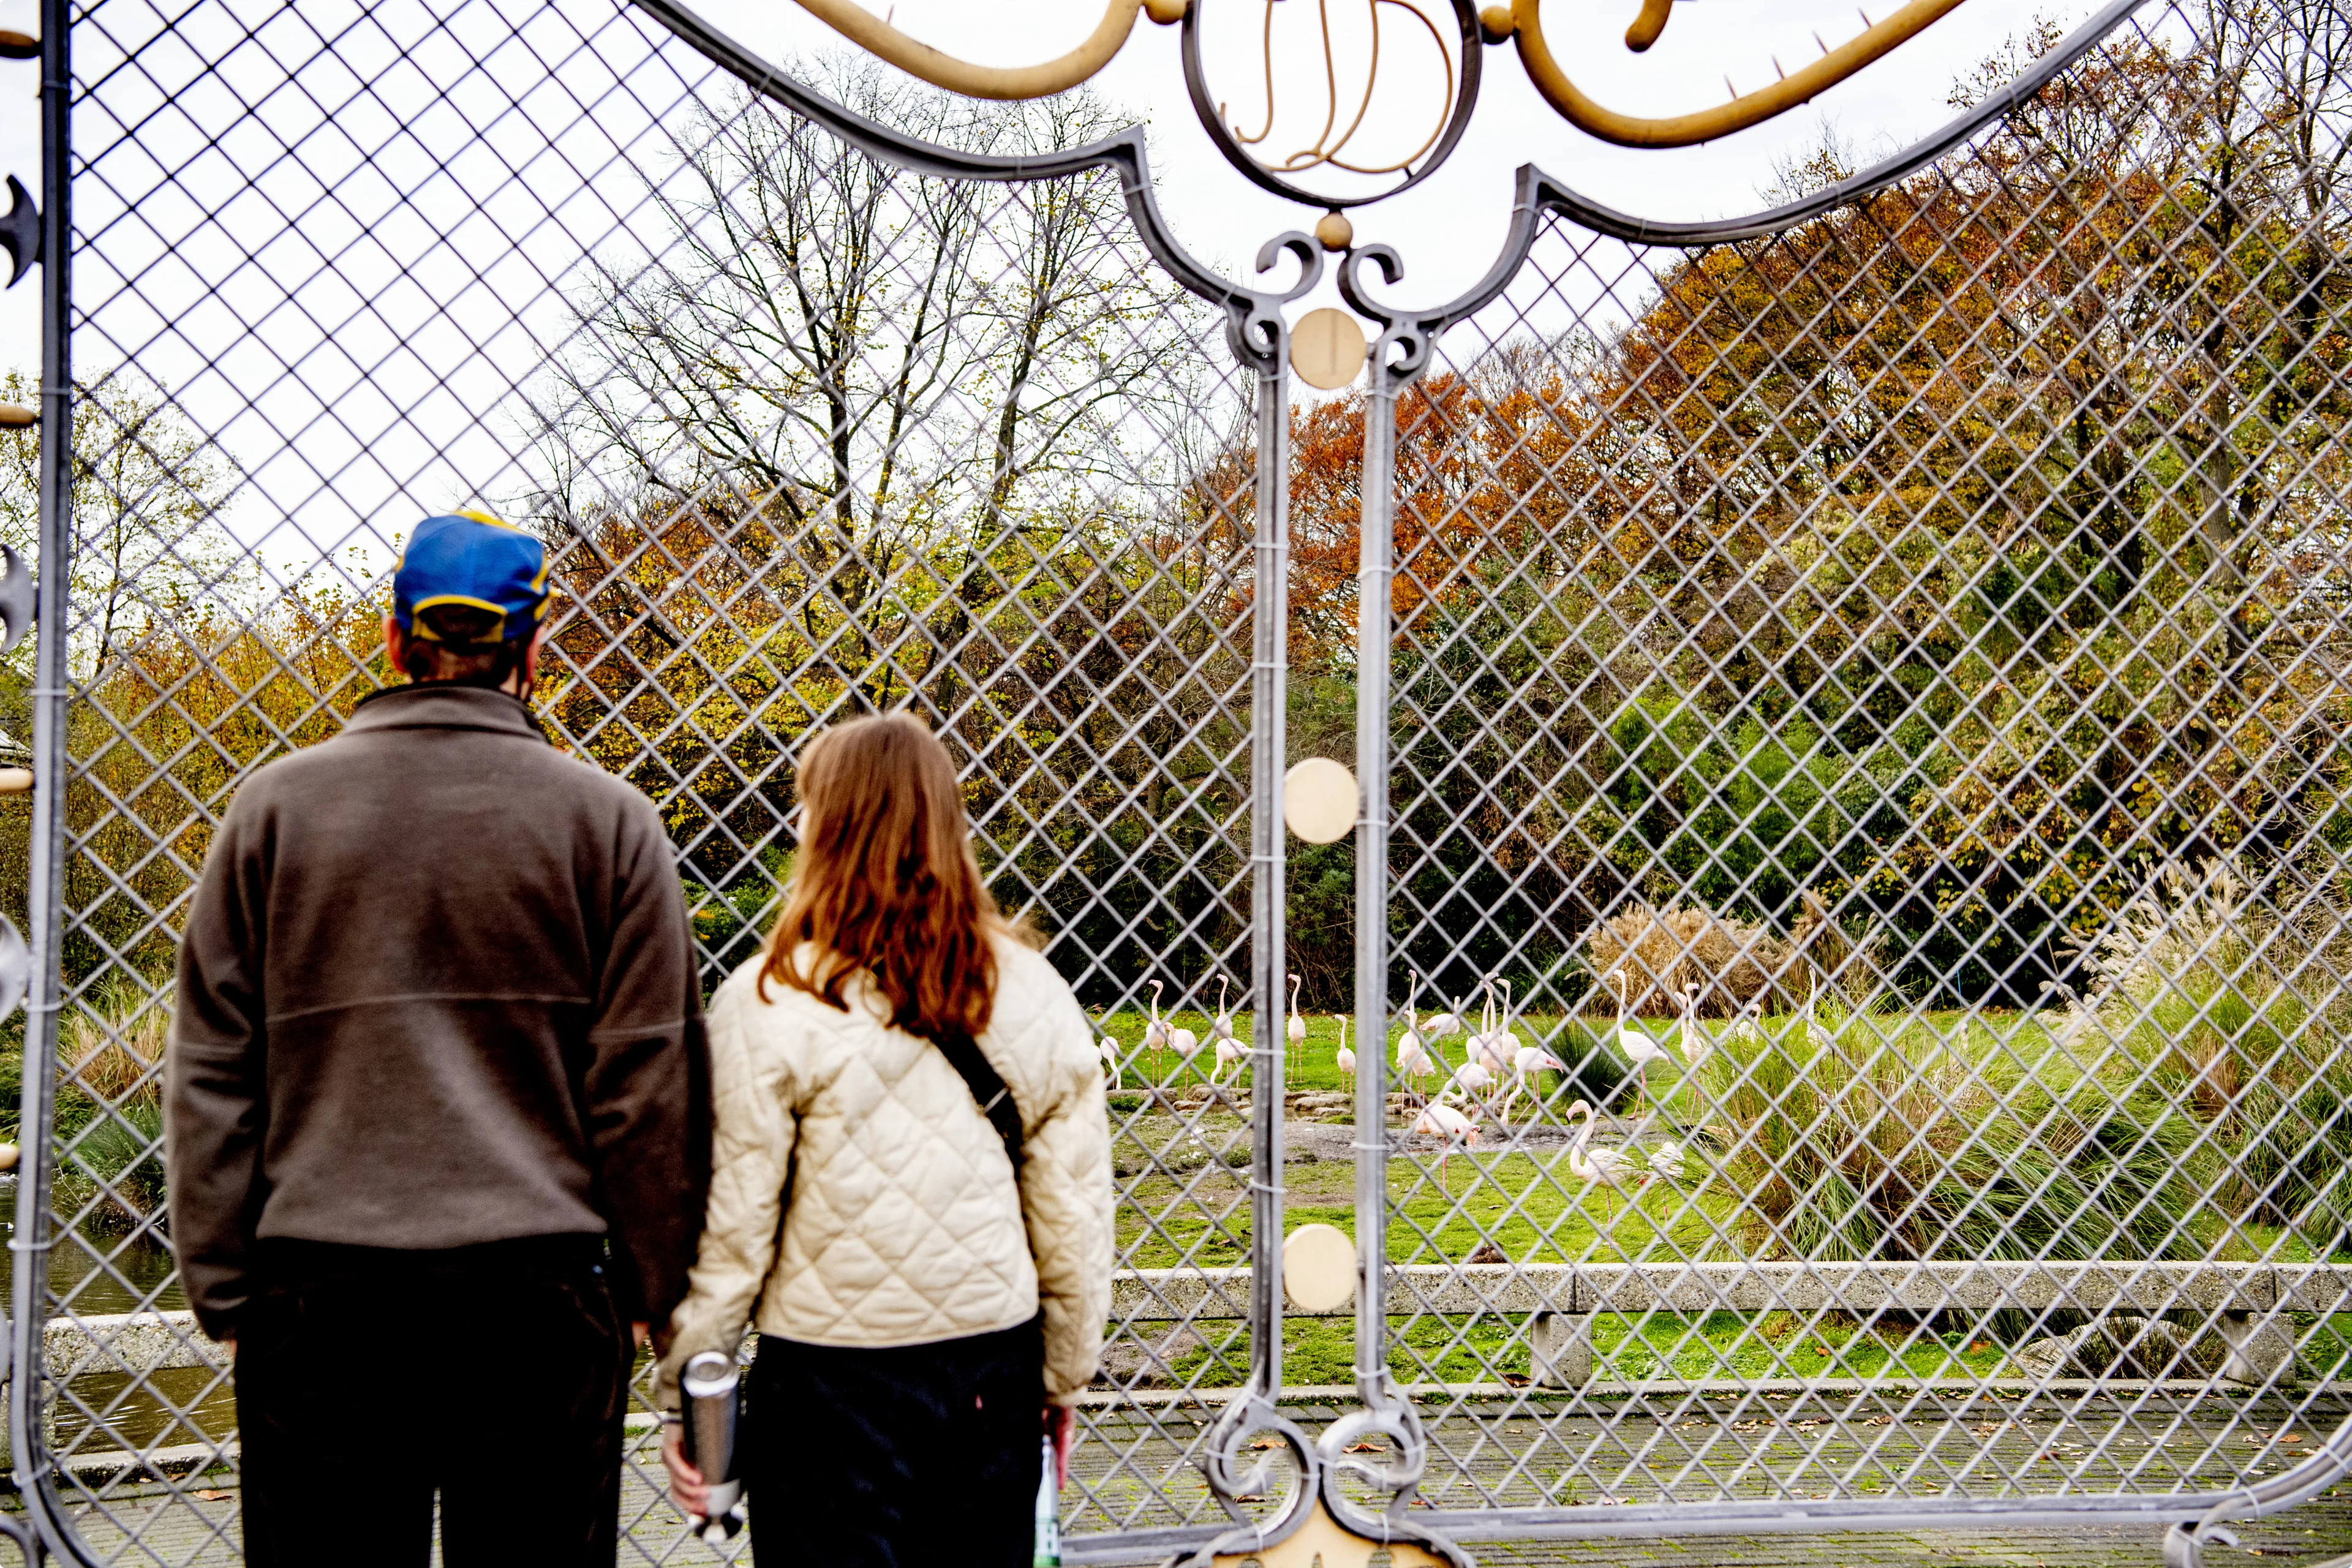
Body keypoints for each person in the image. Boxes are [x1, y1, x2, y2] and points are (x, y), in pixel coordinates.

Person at [165, 510, 709, 1567]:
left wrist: (224, 1286)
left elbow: (213, 1068)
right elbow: (647, 1079)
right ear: (535, 651)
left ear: (393, 638)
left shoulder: (272, 812)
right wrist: (657, 1286)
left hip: (319, 1299)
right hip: (537, 1301)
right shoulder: (608, 823)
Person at [657, 713, 1112, 1566]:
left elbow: (730, 1231)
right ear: (947, 823)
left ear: (821, 825)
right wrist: (1061, 1378)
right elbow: (1074, 1212)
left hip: (829, 1385)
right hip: (989, 1373)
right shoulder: (1030, 991)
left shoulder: (770, 999)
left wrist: (695, 1390)